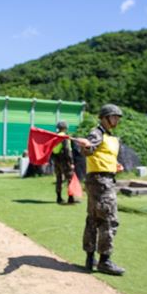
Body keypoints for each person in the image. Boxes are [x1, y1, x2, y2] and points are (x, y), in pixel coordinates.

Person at [74, 104, 125, 276]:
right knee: (109, 220)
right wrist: (86, 147)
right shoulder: (97, 133)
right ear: (104, 117)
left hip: (99, 179)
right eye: (114, 116)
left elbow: (102, 155)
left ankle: (90, 259)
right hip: (102, 182)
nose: (116, 119)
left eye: (118, 117)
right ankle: (104, 261)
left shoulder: (110, 136)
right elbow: (89, 150)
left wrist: (114, 165)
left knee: (94, 218)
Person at [51, 121, 75, 204]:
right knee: (70, 178)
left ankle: (59, 197)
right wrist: (71, 162)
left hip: (56, 159)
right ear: (65, 128)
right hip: (64, 160)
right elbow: (67, 150)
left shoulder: (55, 136)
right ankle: (71, 198)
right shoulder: (64, 137)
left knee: (59, 179)